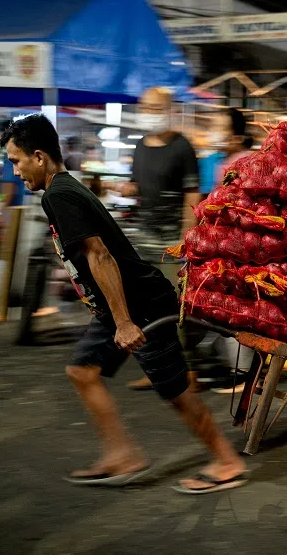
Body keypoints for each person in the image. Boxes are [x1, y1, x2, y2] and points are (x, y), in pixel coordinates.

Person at [1, 114, 247, 493]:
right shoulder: (62, 191)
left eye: (16, 161)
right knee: (82, 371)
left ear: (38, 156)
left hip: (139, 304)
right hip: (118, 306)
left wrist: (123, 322)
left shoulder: (60, 194)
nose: (15, 171)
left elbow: (100, 256)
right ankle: (122, 455)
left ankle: (226, 461)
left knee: (175, 389)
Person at [116, 87, 203, 391]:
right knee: (145, 307)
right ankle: (158, 368)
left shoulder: (182, 148)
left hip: (171, 241)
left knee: (173, 307)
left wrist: (186, 235)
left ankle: (187, 370)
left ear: (170, 110)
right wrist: (129, 189)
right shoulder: (140, 146)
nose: (150, 114)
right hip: (143, 238)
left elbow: (192, 194)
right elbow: (137, 185)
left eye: (156, 108)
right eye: (146, 108)